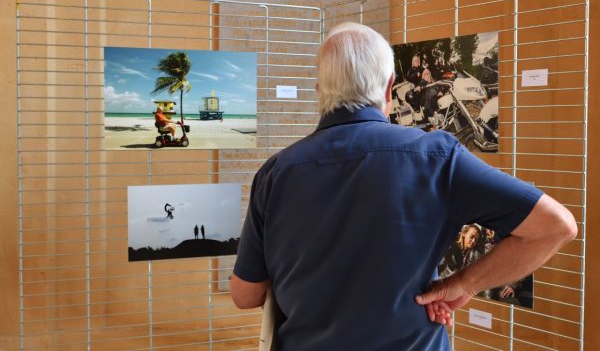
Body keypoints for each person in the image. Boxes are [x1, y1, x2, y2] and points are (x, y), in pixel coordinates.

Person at [230, 22, 577, 350]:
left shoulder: (275, 173)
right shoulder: (437, 156)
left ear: (320, 90)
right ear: (389, 86)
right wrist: (463, 284)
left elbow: (245, 296)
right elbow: (555, 226)